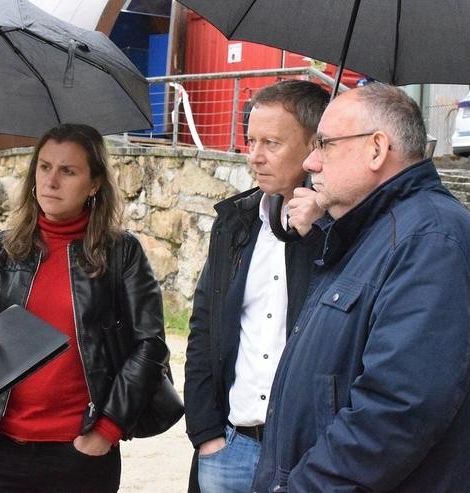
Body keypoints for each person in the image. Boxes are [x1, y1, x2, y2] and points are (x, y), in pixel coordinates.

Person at [251, 83, 470, 492]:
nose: (311, 161)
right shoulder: (369, 230)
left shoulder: (429, 239)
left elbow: (396, 410)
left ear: (376, 149)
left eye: (325, 144)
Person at [0, 123, 169, 493]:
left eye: (68, 171)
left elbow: (149, 344)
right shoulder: (3, 249)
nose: (51, 181)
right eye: (44, 167)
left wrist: (106, 431)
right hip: (0, 448)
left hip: (79, 453)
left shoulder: (120, 253)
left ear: (94, 185)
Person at [184, 80, 329, 493]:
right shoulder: (235, 224)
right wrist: (206, 433)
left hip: (304, 456)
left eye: (272, 143)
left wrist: (322, 227)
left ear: (314, 147)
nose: (255, 157)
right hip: (230, 445)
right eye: (251, 140)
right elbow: (203, 327)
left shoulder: (339, 231)